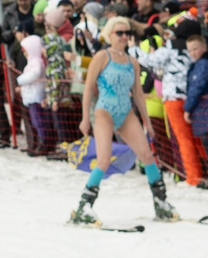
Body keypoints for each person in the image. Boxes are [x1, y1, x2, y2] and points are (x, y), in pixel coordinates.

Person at [71, 16, 181, 225]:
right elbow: (88, 88)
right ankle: (84, 205)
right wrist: (85, 118)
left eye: (127, 33)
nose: (123, 37)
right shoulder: (102, 57)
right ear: (110, 34)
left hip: (126, 112)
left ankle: (161, 202)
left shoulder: (132, 61)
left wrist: (147, 122)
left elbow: (138, 93)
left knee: (147, 155)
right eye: (119, 33)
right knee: (104, 159)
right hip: (105, 111)